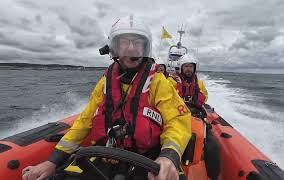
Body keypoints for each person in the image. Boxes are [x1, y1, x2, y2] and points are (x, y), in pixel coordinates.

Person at [22, 15, 191, 180]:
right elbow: (85, 120)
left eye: (137, 42)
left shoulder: (158, 82)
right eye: (125, 42)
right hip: (106, 156)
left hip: (148, 159)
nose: (131, 48)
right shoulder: (105, 82)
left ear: (145, 48)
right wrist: (52, 161)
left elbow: (178, 120)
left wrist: (169, 157)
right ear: (114, 47)